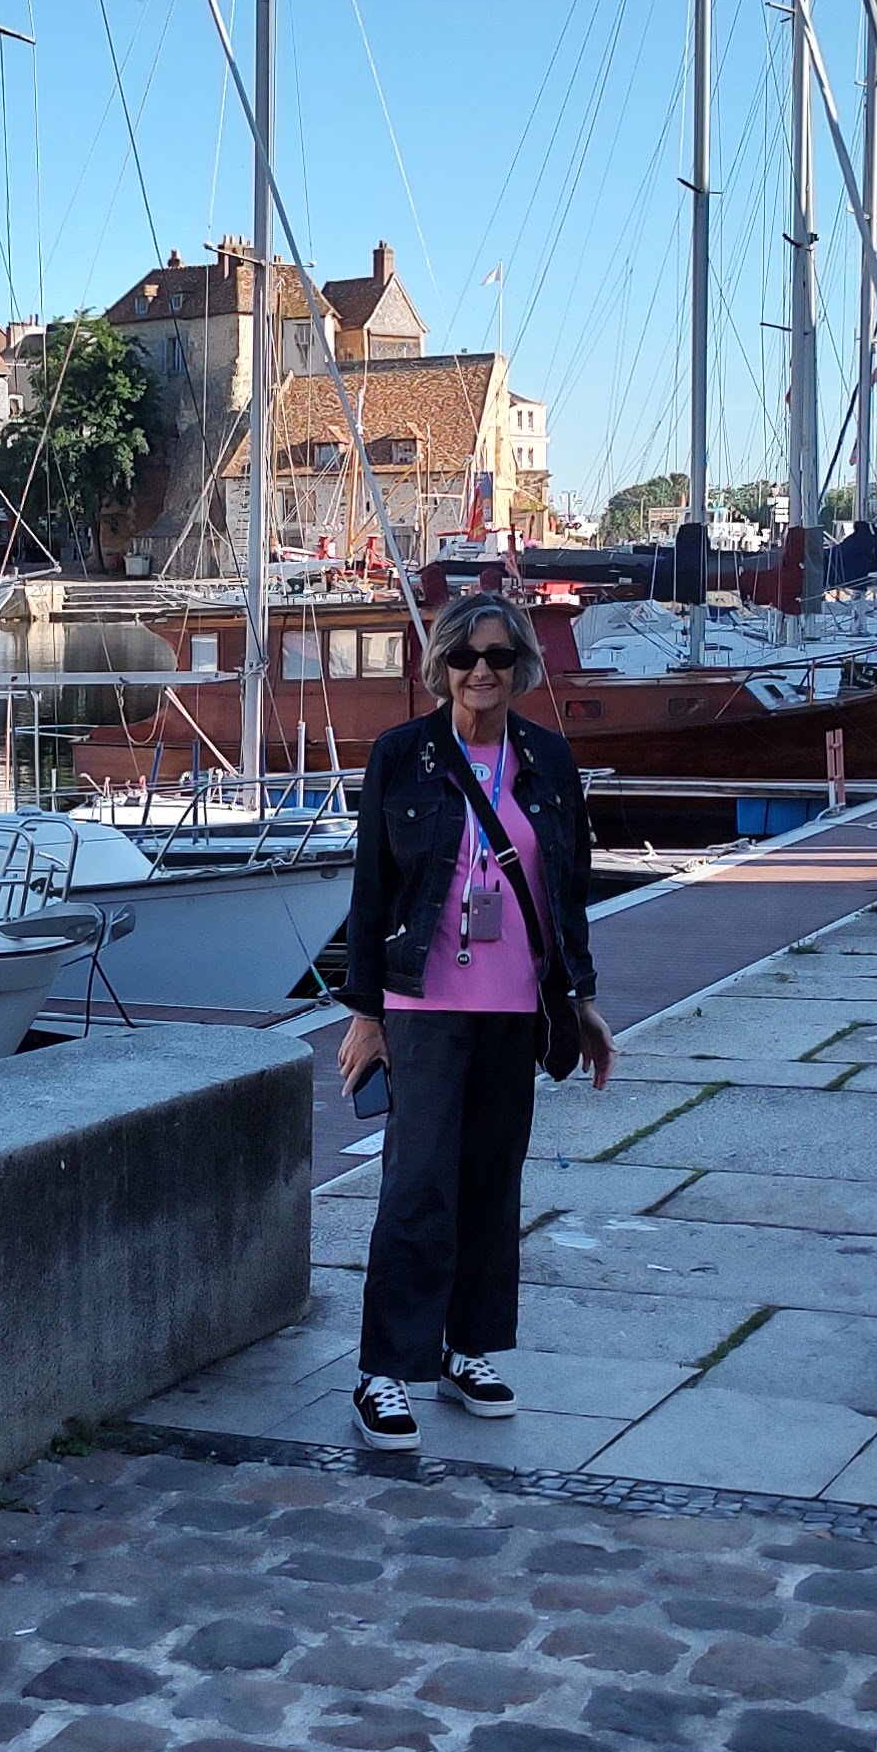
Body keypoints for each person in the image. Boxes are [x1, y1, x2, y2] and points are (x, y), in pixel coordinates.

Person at [334, 590, 615, 1450]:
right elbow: (372, 891)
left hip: (515, 1007)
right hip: (424, 1005)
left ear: (521, 666)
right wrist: (367, 1012)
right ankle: (385, 1371)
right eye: (465, 656)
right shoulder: (402, 755)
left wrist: (582, 1001)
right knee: (418, 1184)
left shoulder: (548, 759)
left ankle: (469, 1350)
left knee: (493, 1185)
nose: (481, 671)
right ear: (442, 666)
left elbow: (568, 889)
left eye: (498, 657)